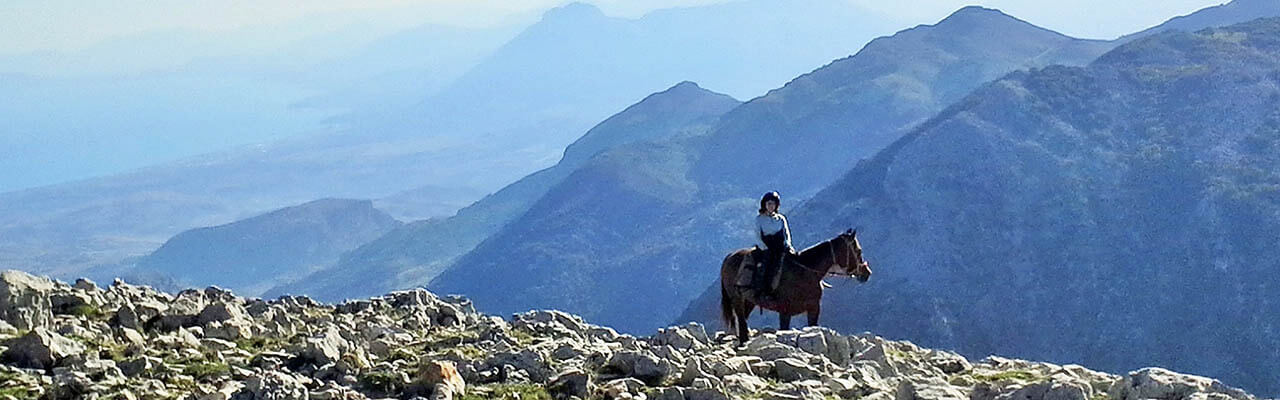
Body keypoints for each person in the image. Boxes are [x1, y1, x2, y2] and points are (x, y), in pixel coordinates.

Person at [753, 191, 793, 300]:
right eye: (769, 203)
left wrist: (788, 244)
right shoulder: (759, 219)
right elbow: (757, 235)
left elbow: (786, 233)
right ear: (764, 205)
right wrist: (764, 248)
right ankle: (763, 290)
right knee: (766, 267)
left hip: (780, 246)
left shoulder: (781, 218)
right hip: (767, 247)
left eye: (773, 204)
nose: (771, 206)